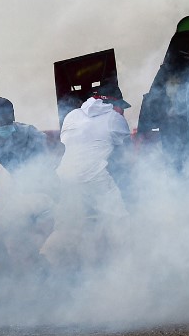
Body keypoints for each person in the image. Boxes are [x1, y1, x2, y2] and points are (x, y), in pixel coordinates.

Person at [41, 83, 132, 272]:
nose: (122, 111)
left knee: (66, 226)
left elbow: (71, 145)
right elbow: (126, 157)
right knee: (119, 221)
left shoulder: (72, 115)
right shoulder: (114, 118)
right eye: (121, 107)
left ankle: (48, 264)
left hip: (64, 177)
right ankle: (125, 267)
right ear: (113, 102)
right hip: (95, 177)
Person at [0, 97, 59, 265]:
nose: (2, 120)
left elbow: (49, 158)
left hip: (43, 195)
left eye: (5, 116)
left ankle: (25, 276)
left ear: (12, 115)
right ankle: (16, 275)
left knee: (15, 245)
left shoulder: (29, 132)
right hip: (25, 196)